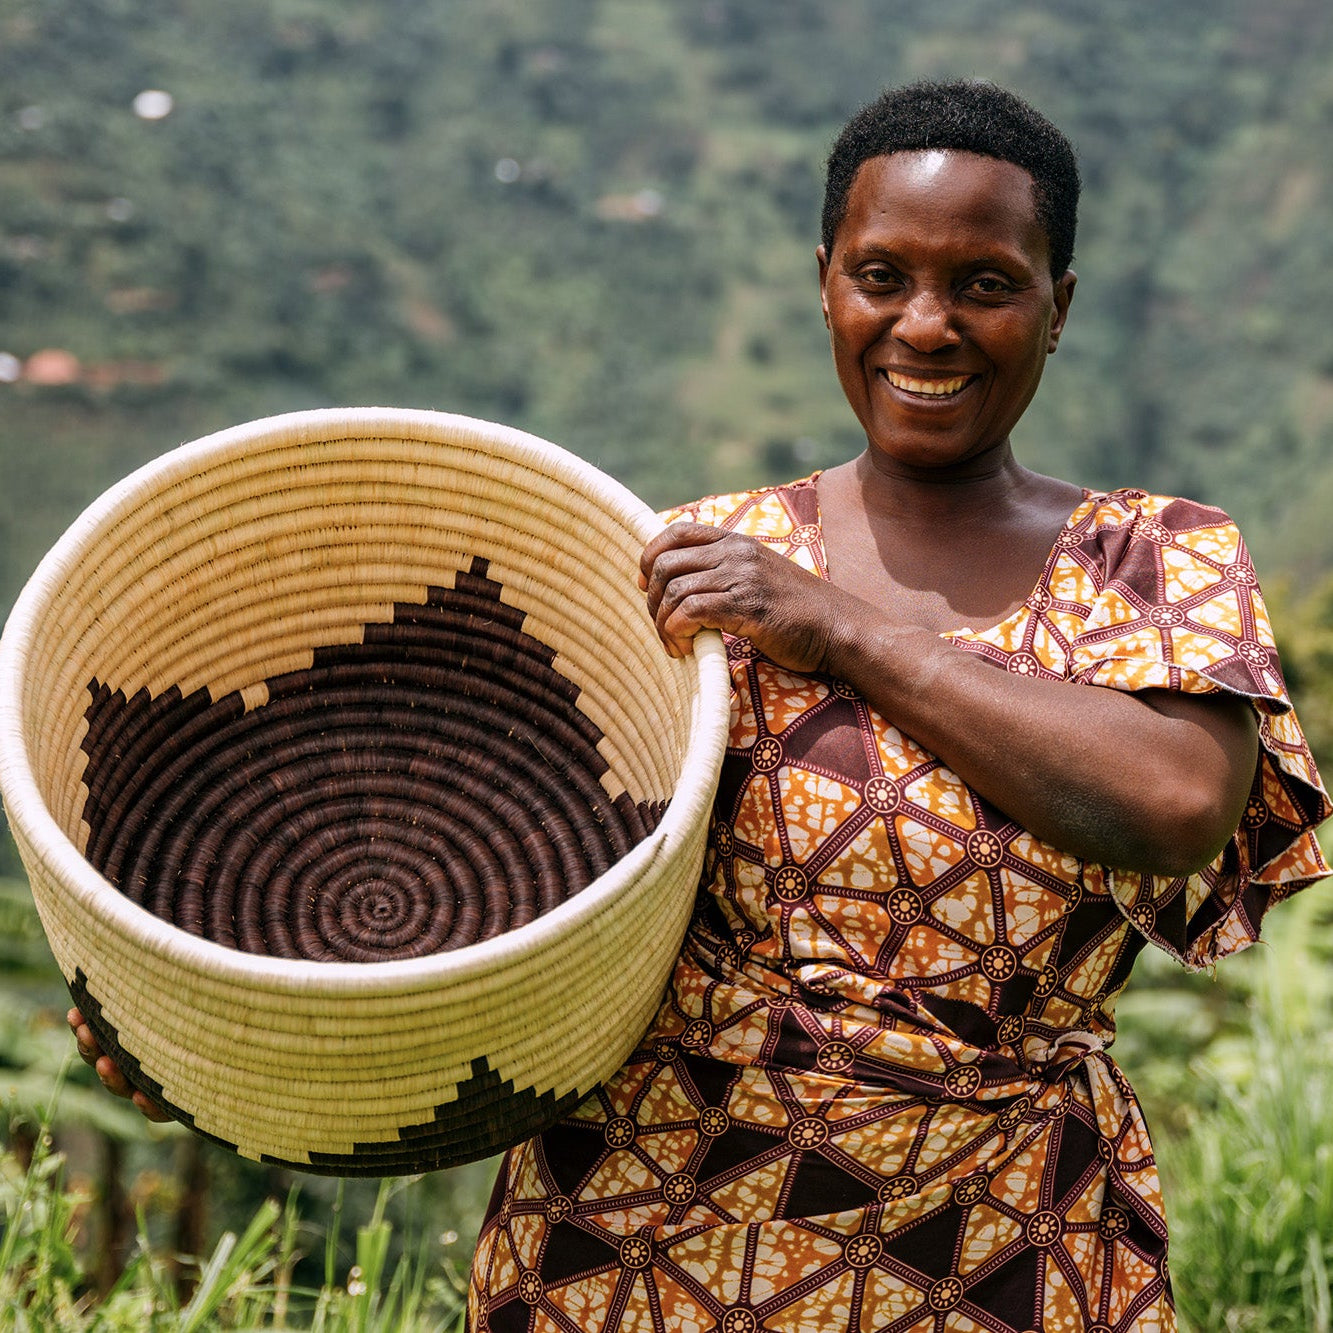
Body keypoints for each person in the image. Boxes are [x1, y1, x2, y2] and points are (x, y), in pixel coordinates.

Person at [74, 80, 1329, 1332]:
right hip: (641, 1241)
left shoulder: (1149, 558)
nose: (925, 325)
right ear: (823, 283)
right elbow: (515, 911)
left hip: (1004, 1240)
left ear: (1056, 309)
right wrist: (209, 1041)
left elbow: (1170, 805)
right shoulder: (701, 561)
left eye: (986, 285)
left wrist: (840, 628)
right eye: (881, 275)